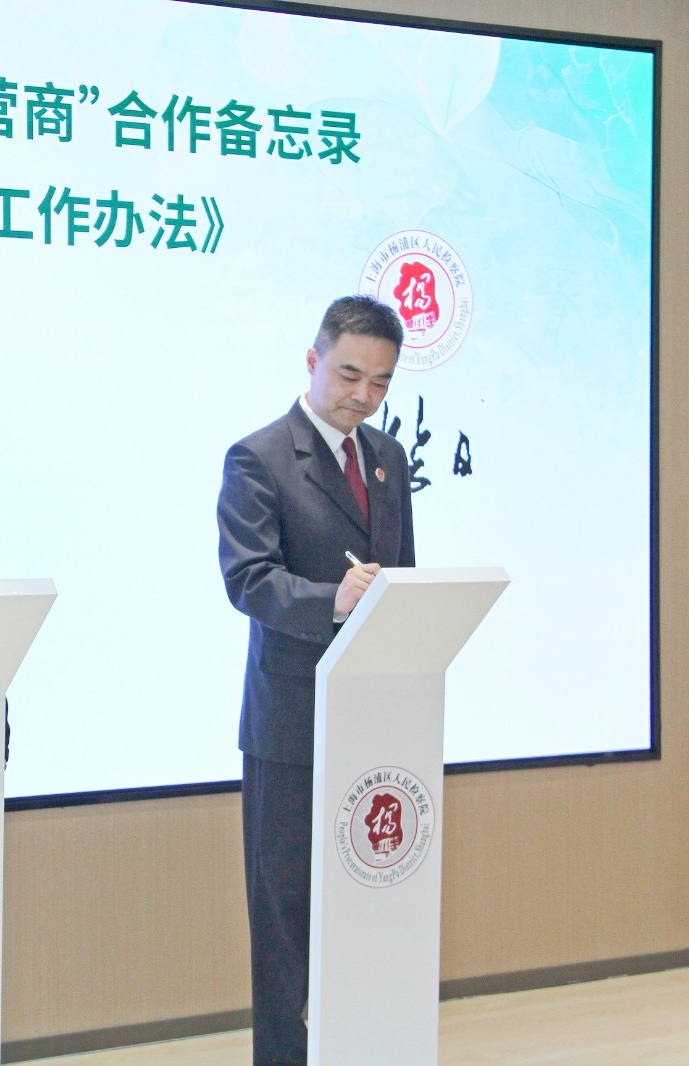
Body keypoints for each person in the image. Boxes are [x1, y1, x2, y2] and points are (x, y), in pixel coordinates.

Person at [216, 294, 415, 1065]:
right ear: (312, 360)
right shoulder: (258, 458)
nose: (363, 396)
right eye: (349, 375)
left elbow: (402, 579)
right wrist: (334, 598)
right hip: (291, 723)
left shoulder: (388, 459)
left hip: (373, 720)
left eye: (381, 383)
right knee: (285, 916)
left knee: (367, 901)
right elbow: (248, 580)